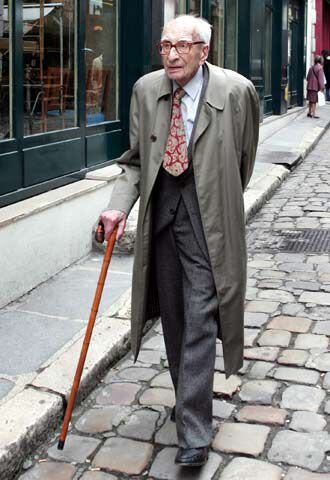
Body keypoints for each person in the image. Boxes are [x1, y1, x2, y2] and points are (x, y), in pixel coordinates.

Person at [100, 15, 259, 467]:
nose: (171, 54)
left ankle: (194, 431)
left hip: (208, 219)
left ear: (203, 51)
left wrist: (217, 195)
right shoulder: (146, 90)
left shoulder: (236, 91)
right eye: (164, 45)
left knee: (200, 319)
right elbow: (133, 159)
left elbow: (243, 158)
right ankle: (189, 399)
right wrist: (118, 206)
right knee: (172, 316)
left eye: (182, 46)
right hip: (162, 215)